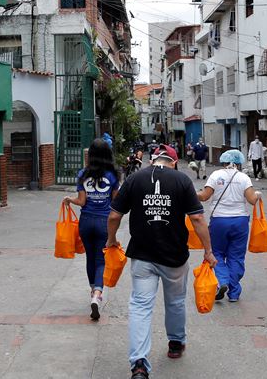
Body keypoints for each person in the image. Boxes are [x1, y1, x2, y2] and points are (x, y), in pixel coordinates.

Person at [107, 144, 217, 379]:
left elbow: (115, 214)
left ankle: (138, 364)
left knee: (140, 307)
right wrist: (208, 251)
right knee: (175, 301)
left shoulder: (136, 179)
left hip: (142, 256)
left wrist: (111, 240)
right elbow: (197, 217)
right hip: (174, 256)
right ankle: (175, 343)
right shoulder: (182, 180)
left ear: (152, 161)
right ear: (174, 162)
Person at [63, 139, 120, 321]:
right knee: (101, 259)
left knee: (90, 258)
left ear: (91, 155)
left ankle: (92, 290)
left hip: (86, 221)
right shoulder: (112, 175)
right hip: (104, 221)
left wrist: (69, 199)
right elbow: (116, 203)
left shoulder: (83, 174)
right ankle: (97, 293)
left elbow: (81, 202)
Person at [196, 149, 262, 303]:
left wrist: (190, 192)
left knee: (217, 252)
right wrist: (258, 194)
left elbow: (204, 197)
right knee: (236, 256)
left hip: (219, 221)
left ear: (223, 162)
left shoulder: (215, 175)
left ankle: (223, 280)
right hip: (240, 221)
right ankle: (234, 293)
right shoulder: (243, 177)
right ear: (238, 163)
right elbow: (252, 200)